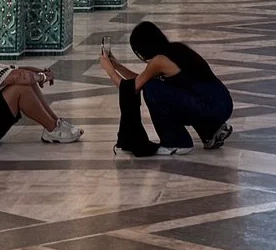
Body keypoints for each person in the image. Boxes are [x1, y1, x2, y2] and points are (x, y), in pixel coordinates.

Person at [98, 21, 233, 157]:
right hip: (223, 103)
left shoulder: (159, 61)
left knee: (152, 89)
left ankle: (176, 142)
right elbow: (141, 80)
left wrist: (109, 71)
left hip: (208, 108)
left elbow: (133, 88)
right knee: (170, 89)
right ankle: (211, 131)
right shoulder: (176, 50)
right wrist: (117, 66)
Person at [0, 25, 84, 146]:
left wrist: (42, 72)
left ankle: (56, 122)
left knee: (26, 81)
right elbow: (19, 77)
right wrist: (42, 77)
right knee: (21, 87)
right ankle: (52, 129)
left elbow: (18, 70)